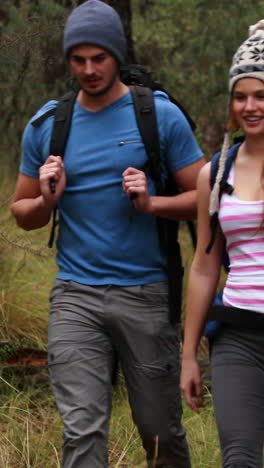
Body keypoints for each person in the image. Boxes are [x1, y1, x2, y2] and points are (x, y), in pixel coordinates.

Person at [11, 1, 205, 466]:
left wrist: (152, 203)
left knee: (160, 432)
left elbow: (207, 198)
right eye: (78, 60)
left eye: (99, 58)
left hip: (146, 293)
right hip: (76, 295)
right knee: (82, 428)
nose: (89, 69)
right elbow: (22, 212)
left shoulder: (159, 116)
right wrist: (46, 199)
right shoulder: (47, 125)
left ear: (117, 54)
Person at [180, 20, 264, 468]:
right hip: (238, 334)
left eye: (261, 95)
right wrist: (189, 354)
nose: (250, 106)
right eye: (240, 95)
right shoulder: (215, 173)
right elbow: (203, 266)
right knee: (239, 458)